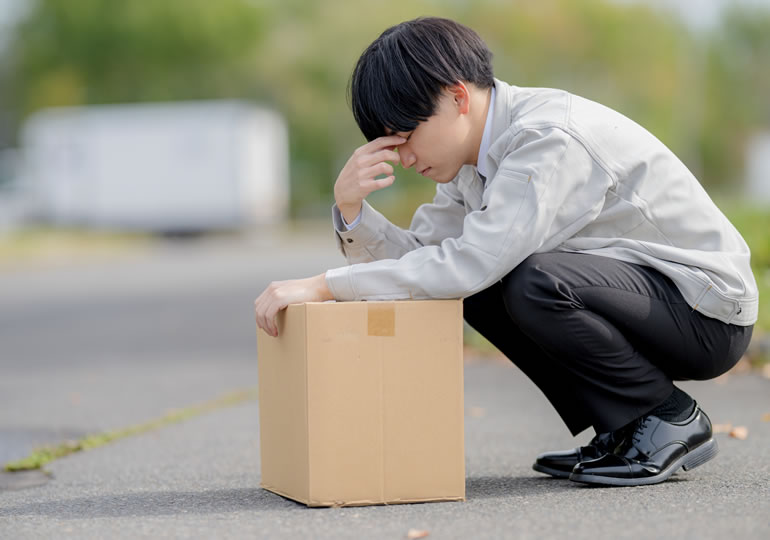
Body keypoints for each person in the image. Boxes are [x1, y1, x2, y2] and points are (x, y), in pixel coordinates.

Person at [254, 17, 757, 487]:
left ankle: (665, 417)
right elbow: (425, 261)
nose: (404, 158)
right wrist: (352, 211)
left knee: (530, 280)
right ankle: (624, 428)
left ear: (457, 98)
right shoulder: (469, 163)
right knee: (478, 285)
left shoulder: (545, 139)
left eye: (408, 137)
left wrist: (325, 286)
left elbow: (470, 263)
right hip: (651, 301)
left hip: (706, 310)